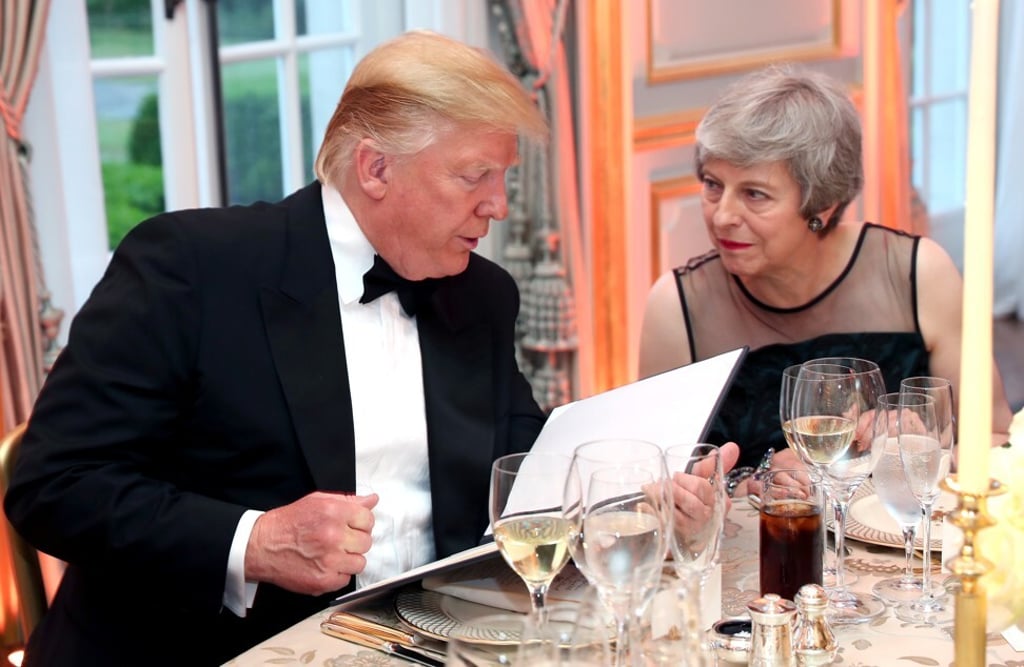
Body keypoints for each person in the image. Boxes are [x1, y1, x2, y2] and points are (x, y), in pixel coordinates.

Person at [4, 30, 550, 666]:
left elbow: (525, 468)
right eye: (474, 176)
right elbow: (55, 485)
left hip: (433, 642)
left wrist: (634, 497)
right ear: (376, 168)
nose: (500, 206)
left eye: (504, 176)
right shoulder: (190, 271)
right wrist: (254, 542)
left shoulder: (480, 295)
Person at [638, 64, 1013, 480]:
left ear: (823, 206)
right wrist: (755, 482)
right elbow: (656, 488)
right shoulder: (678, 308)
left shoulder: (918, 276)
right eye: (712, 184)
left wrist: (928, 448)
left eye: (754, 195)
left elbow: (998, 439)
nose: (722, 215)